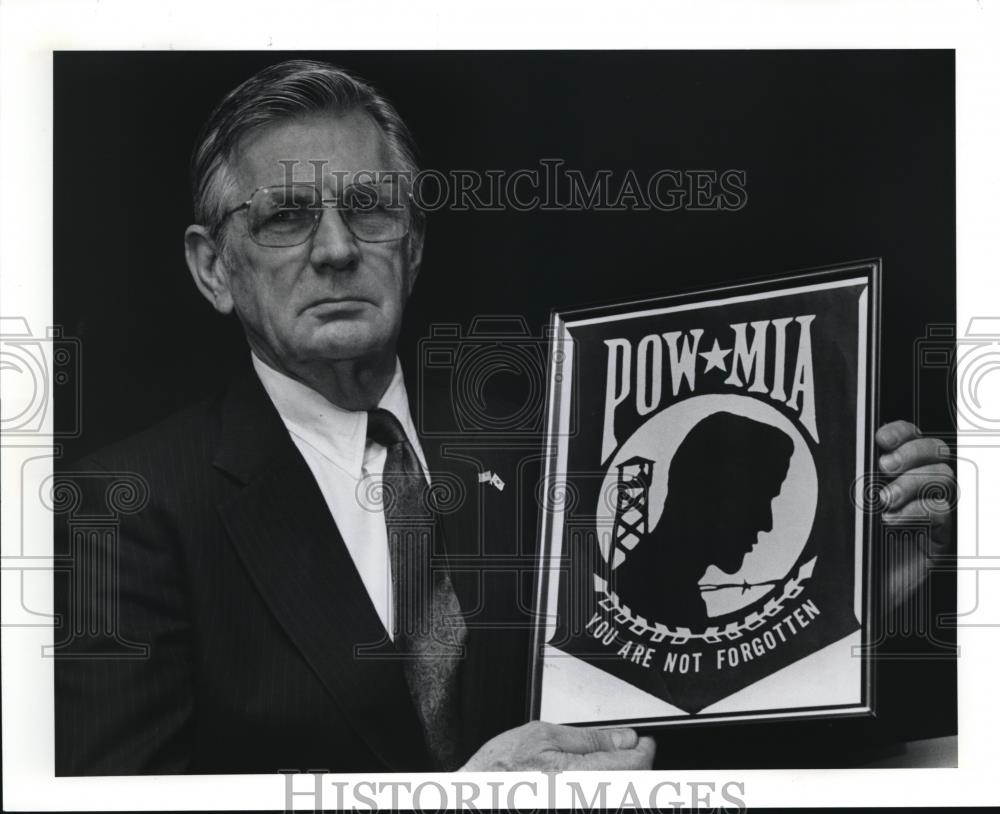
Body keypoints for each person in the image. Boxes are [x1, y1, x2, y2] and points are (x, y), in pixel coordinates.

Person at [53, 59, 955, 775]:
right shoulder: (125, 510)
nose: (334, 249)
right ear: (213, 267)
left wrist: (848, 605)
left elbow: (685, 733)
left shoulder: (556, 446)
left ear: (411, 243)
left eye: (368, 210)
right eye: (286, 218)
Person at [611, 411, 795, 629]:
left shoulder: (678, 600)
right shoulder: (651, 600)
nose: (767, 524)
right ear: (710, 497)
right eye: (757, 501)